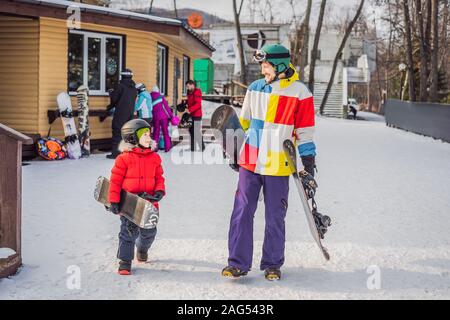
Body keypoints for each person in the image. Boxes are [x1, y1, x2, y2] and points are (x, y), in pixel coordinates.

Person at [222, 44, 317, 281]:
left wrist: (308, 161)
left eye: (266, 67)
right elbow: (243, 123)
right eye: (262, 67)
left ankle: (273, 263)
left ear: (281, 66)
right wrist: (235, 151)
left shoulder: (300, 93)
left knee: (275, 215)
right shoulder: (255, 88)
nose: (263, 71)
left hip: (279, 164)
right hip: (251, 161)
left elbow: (305, 132)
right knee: (242, 211)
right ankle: (237, 263)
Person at [108, 119, 166, 275]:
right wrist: (113, 200)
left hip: (149, 204)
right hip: (129, 204)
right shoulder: (123, 158)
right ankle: (125, 261)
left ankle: (142, 247)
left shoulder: (154, 158)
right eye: (144, 135)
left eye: (149, 134)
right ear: (132, 138)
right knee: (127, 233)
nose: (149, 138)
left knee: (149, 233)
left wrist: (159, 190)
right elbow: (115, 181)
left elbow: (159, 177)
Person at [107, 69, 137, 159]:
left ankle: (116, 154)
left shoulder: (120, 86)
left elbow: (114, 99)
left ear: (122, 76)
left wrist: (111, 93)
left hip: (121, 113)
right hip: (130, 114)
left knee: (117, 132)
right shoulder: (134, 88)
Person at [150, 86, 174, 152]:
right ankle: (167, 148)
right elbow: (166, 108)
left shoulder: (150, 97)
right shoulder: (161, 97)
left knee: (156, 133)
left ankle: (155, 148)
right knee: (165, 132)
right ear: (158, 91)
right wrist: (171, 116)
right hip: (163, 118)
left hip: (155, 118)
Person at [185, 80, 205, 152]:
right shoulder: (190, 92)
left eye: (188, 86)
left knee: (196, 131)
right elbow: (190, 101)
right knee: (191, 130)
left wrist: (190, 110)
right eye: (186, 87)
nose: (187, 88)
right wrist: (185, 103)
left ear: (192, 85)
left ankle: (202, 147)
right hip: (191, 115)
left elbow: (198, 104)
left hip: (197, 115)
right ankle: (193, 148)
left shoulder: (197, 92)